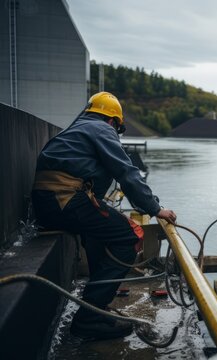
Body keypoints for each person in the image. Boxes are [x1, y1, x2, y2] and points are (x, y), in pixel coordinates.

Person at [31, 91, 177, 340]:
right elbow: (126, 172)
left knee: (98, 235)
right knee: (130, 235)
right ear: (113, 122)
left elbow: (92, 181)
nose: (116, 133)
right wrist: (155, 209)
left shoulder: (76, 129)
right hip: (66, 200)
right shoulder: (101, 129)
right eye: (118, 129)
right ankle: (88, 319)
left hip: (48, 204)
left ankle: (95, 308)